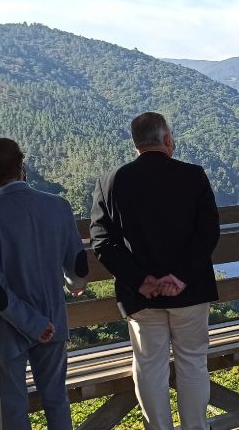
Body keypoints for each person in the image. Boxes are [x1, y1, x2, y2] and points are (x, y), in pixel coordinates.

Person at [90, 112, 220, 430]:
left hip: (141, 297)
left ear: (136, 143)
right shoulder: (193, 176)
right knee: (192, 364)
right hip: (189, 293)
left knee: (149, 368)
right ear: (167, 139)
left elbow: (102, 242)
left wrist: (141, 280)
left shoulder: (110, 181)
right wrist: (181, 277)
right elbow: (208, 232)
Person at [0, 138, 88, 430]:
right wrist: (74, 284)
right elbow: (78, 265)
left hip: (8, 325)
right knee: (56, 399)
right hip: (53, 318)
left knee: (13, 408)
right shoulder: (58, 206)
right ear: (22, 164)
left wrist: (30, 322)